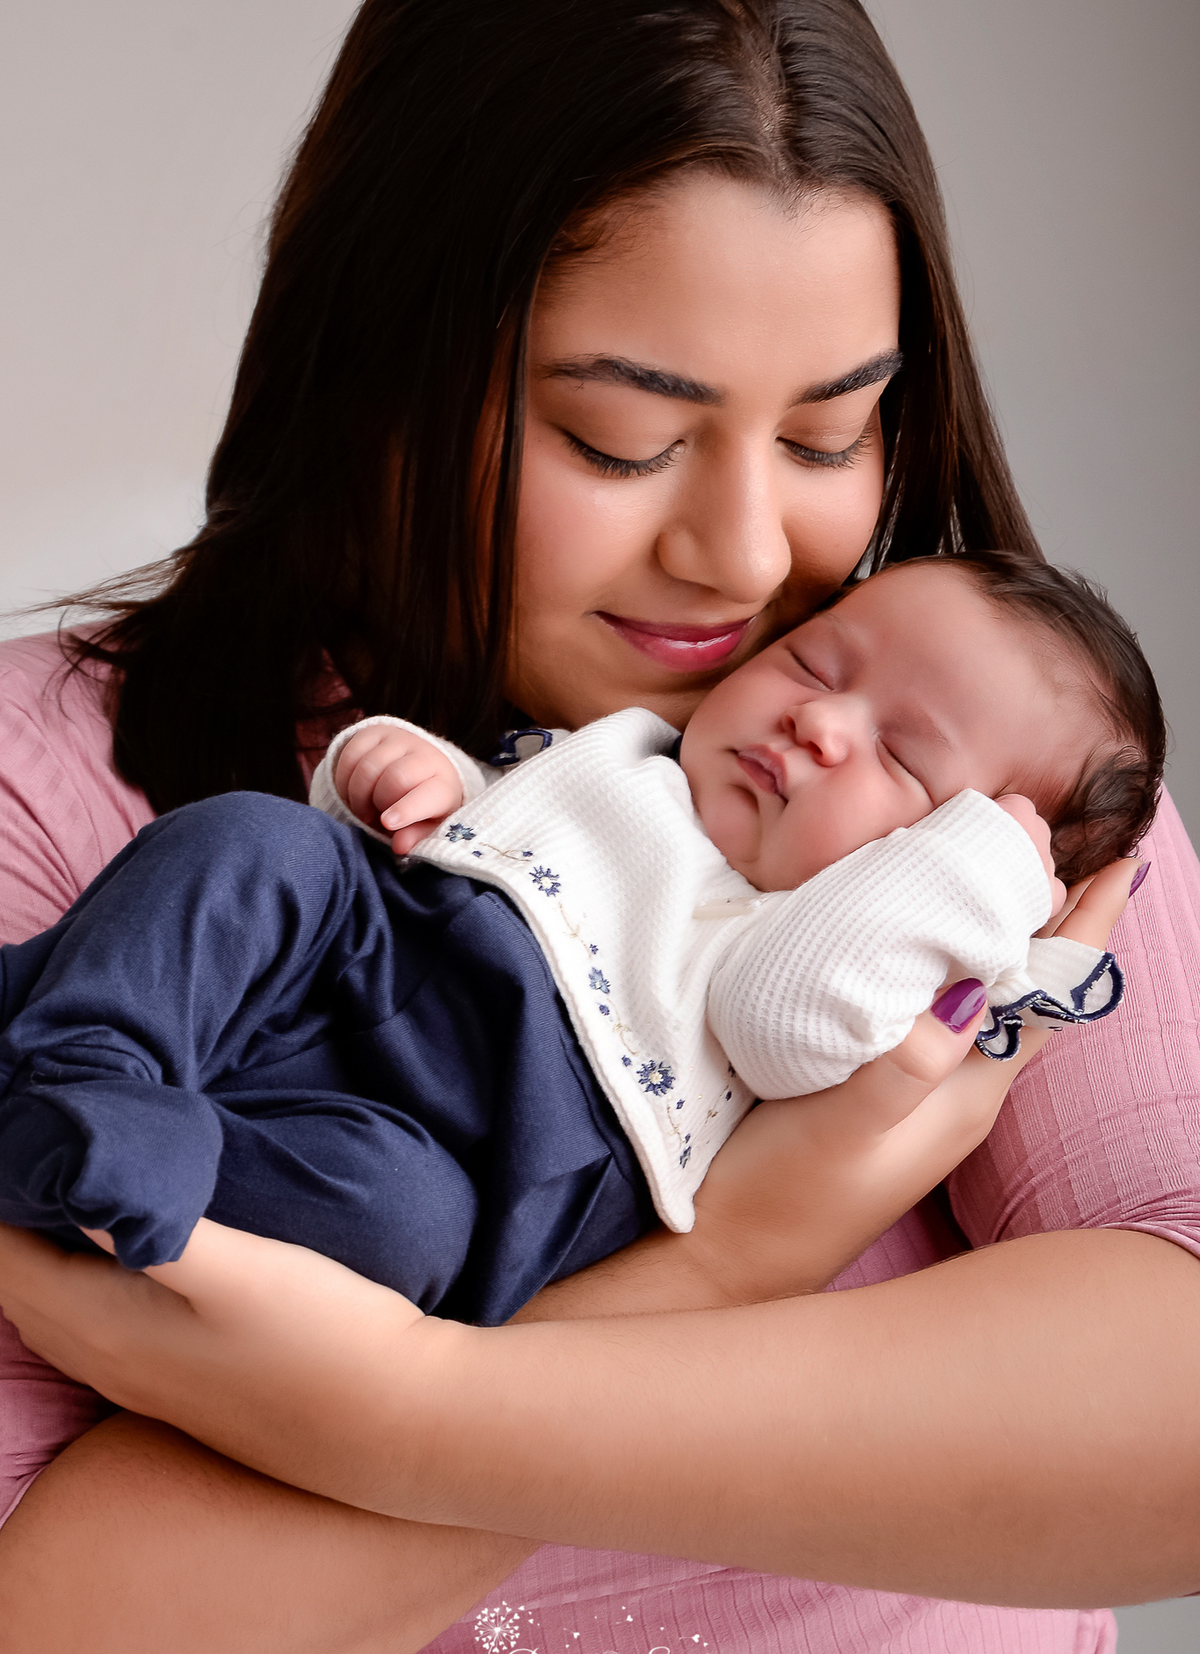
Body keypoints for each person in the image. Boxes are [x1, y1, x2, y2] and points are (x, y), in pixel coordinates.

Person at [0, 0, 1196, 1654]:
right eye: (623, 442)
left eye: (829, 439)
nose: (746, 559)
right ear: (377, 368)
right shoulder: (49, 780)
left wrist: (417, 1408)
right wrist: (739, 1253)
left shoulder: (968, 770)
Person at [0, 554, 1157, 1306]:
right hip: (379, 940)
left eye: (902, 758)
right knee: (261, 842)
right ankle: (89, 1056)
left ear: (956, 879)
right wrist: (394, 771)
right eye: (814, 662)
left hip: (486, 1142)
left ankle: (121, 1154)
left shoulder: (825, 958)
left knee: (403, 1229)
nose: (819, 720)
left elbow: (782, 1019)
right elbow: (488, 816)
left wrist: (974, 875)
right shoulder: (637, 756)